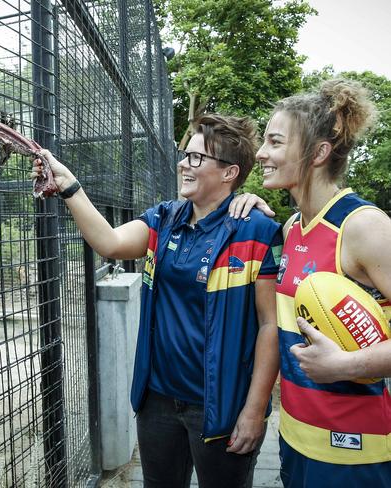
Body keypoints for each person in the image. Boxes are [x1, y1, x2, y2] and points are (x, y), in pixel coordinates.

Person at [32, 114, 282, 488]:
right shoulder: (163, 219)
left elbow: (270, 325)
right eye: (185, 154)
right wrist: (69, 185)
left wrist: (255, 410)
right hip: (158, 402)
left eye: (196, 158)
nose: (183, 163)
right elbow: (111, 243)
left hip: (221, 407)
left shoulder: (257, 232)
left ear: (229, 173)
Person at [256, 78, 391, 486]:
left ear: (318, 153)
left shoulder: (363, 226)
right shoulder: (293, 227)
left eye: (275, 142)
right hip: (297, 436)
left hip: (355, 450)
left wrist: (349, 365)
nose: (261, 153)